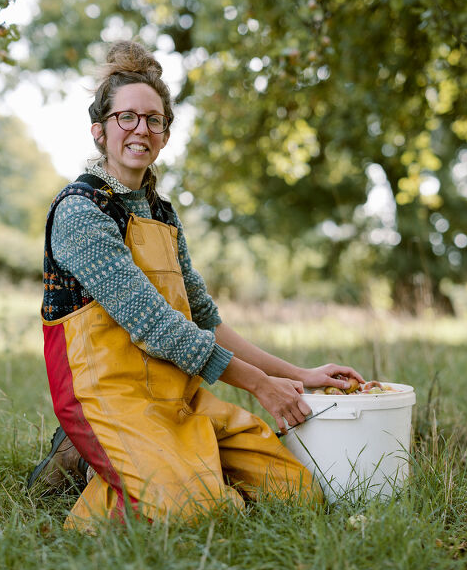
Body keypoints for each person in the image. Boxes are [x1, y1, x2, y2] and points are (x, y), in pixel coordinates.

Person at [30, 40, 364, 529]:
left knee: (296, 493)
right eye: (127, 117)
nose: (141, 129)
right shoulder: (81, 212)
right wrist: (260, 386)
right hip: (108, 398)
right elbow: (155, 325)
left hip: (177, 394)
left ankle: (165, 466)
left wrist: (301, 374)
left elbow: (205, 319)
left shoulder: (162, 213)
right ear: (99, 131)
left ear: (165, 135)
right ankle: (89, 463)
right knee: (197, 512)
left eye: (154, 120)